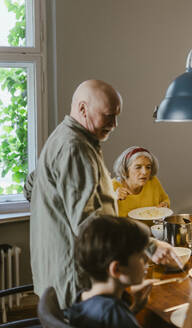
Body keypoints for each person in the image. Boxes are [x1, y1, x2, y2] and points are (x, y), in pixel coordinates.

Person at [24, 80, 181, 308]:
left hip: (58, 276)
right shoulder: (74, 148)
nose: (114, 124)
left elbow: (31, 186)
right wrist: (148, 245)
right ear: (82, 109)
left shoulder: (64, 138)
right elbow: (92, 226)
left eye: (117, 116)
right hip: (74, 279)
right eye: (108, 116)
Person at [65, 215, 192, 328]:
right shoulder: (115, 314)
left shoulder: (83, 299)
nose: (146, 261)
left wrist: (135, 307)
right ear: (117, 269)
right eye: (141, 256)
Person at [112, 146, 171, 217]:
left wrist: (165, 204)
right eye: (138, 167)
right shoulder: (112, 186)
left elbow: (165, 199)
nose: (144, 172)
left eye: (148, 167)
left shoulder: (153, 181)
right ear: (126, 170)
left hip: (151, 228)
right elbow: (100, 218)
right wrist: (113, 198)